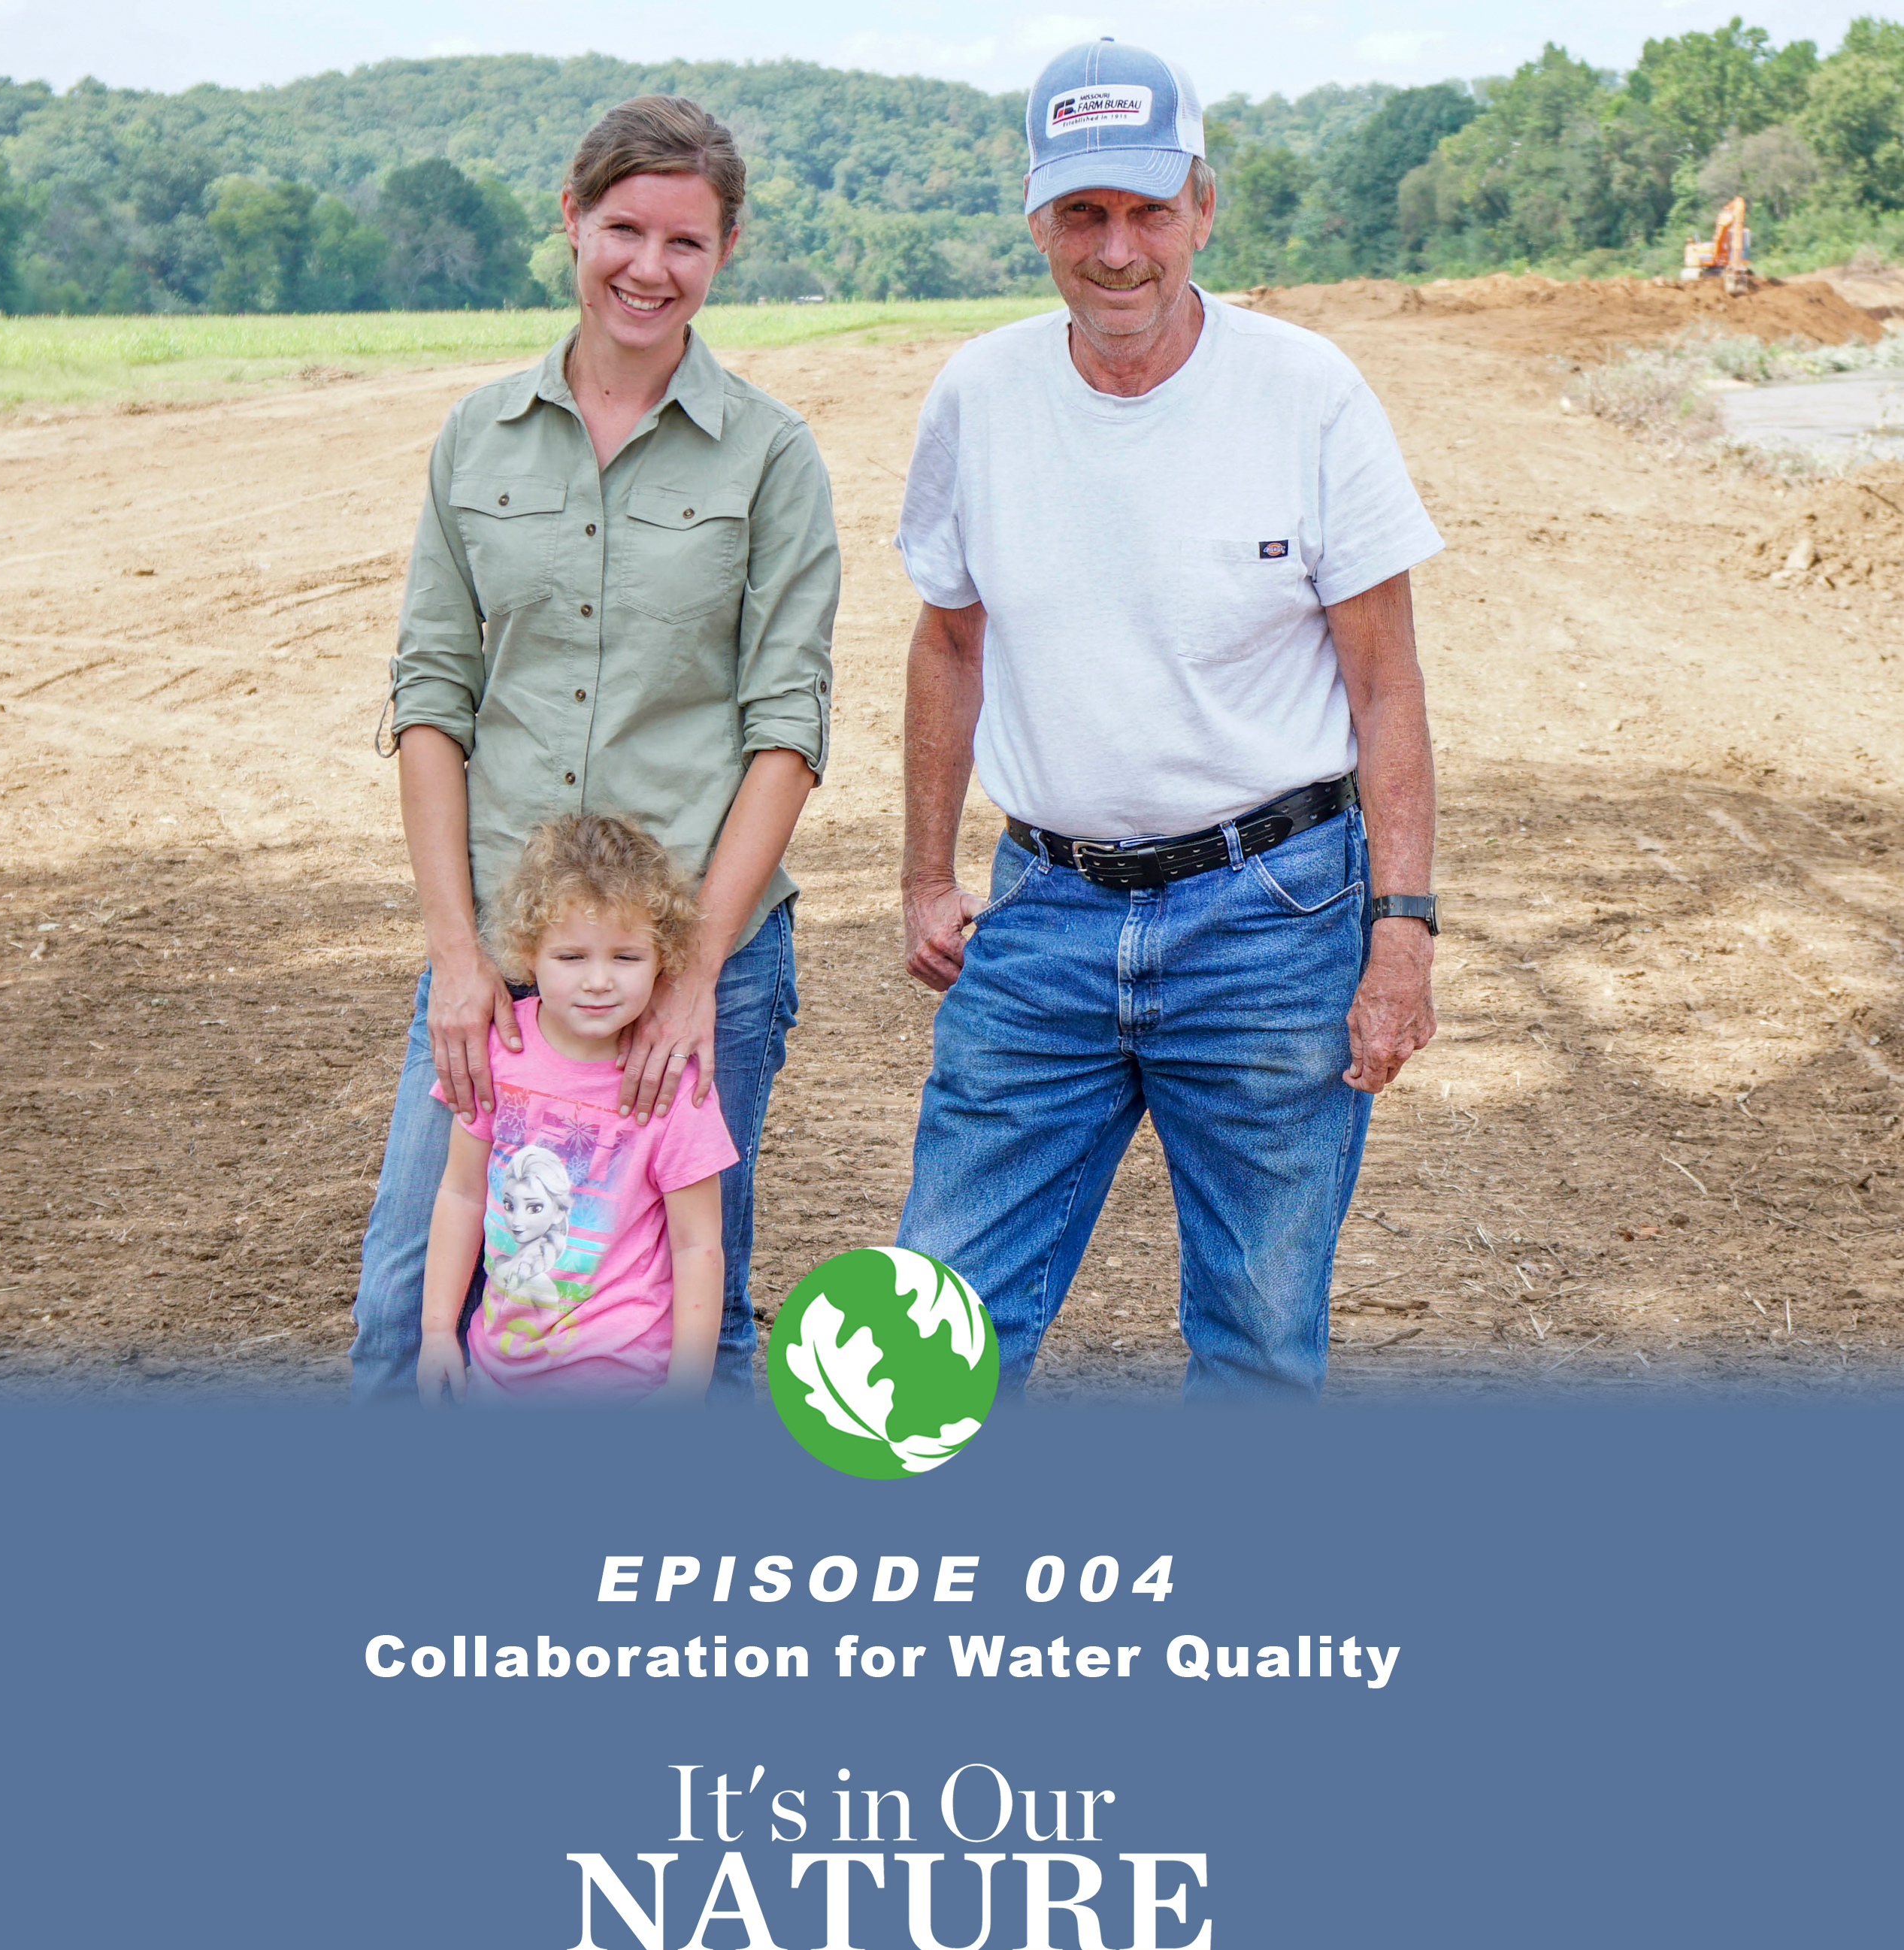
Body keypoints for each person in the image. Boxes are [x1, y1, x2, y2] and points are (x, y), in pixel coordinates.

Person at [894, 39, 1444, 1403]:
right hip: (1043, 920)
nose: (1119, 249)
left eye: (1149, 210)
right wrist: (923, 872)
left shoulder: (1306, 391)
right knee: (932, 1328)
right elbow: (947, 640)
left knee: (1259, 1336)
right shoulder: (980, 395)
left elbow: (1387, 686)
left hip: (1274, 920)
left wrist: (1404, 931)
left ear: (1203, 208)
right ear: (1038, 220)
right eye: (1084, 213)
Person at [350, 95, 840, 1403]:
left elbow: (786, 728)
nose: (649, 268)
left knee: (684, 1316)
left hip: (697, 960)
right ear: (571, 221)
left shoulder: (772, 457)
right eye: (623, 228)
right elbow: (430, 700)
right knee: (413, 1306)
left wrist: (697, 973)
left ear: (726, 251)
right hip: (508, 958)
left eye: (686, 242)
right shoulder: (477, 439)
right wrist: (459, 959)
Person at [417, 815, 737, 1406]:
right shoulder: (499, 1053)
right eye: (570, 956)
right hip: (496, 1377)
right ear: (526, 952)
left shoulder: (671, 1084)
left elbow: (699, 1247)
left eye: (626, 957)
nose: (598, 981)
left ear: (664, 957)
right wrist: (438, 1330)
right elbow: (461, 1194)